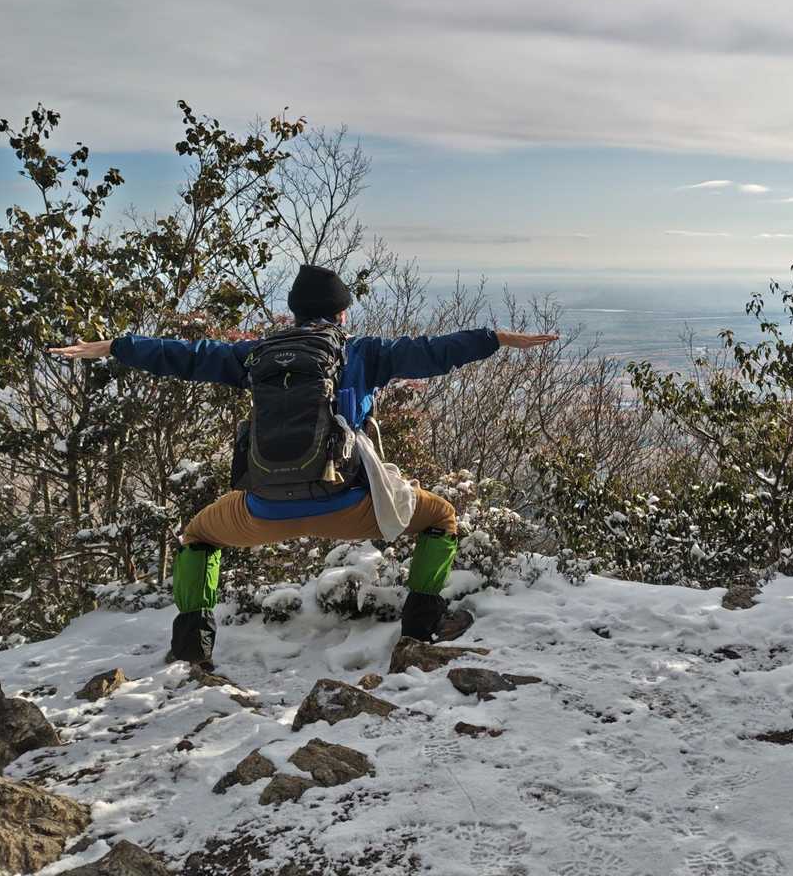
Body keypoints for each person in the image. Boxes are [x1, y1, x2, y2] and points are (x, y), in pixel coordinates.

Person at [48, 263, 558, 666]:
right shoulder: (361, 353)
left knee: (198, 536)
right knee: (441, 517)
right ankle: (420, 630)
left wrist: (116, 346)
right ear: (341, 315)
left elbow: (187, 355)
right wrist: (494, 338)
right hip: (349, 505)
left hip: (263, 510)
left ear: (294, 315)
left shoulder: (255, 356)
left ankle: (191, 651)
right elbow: (431, 351)